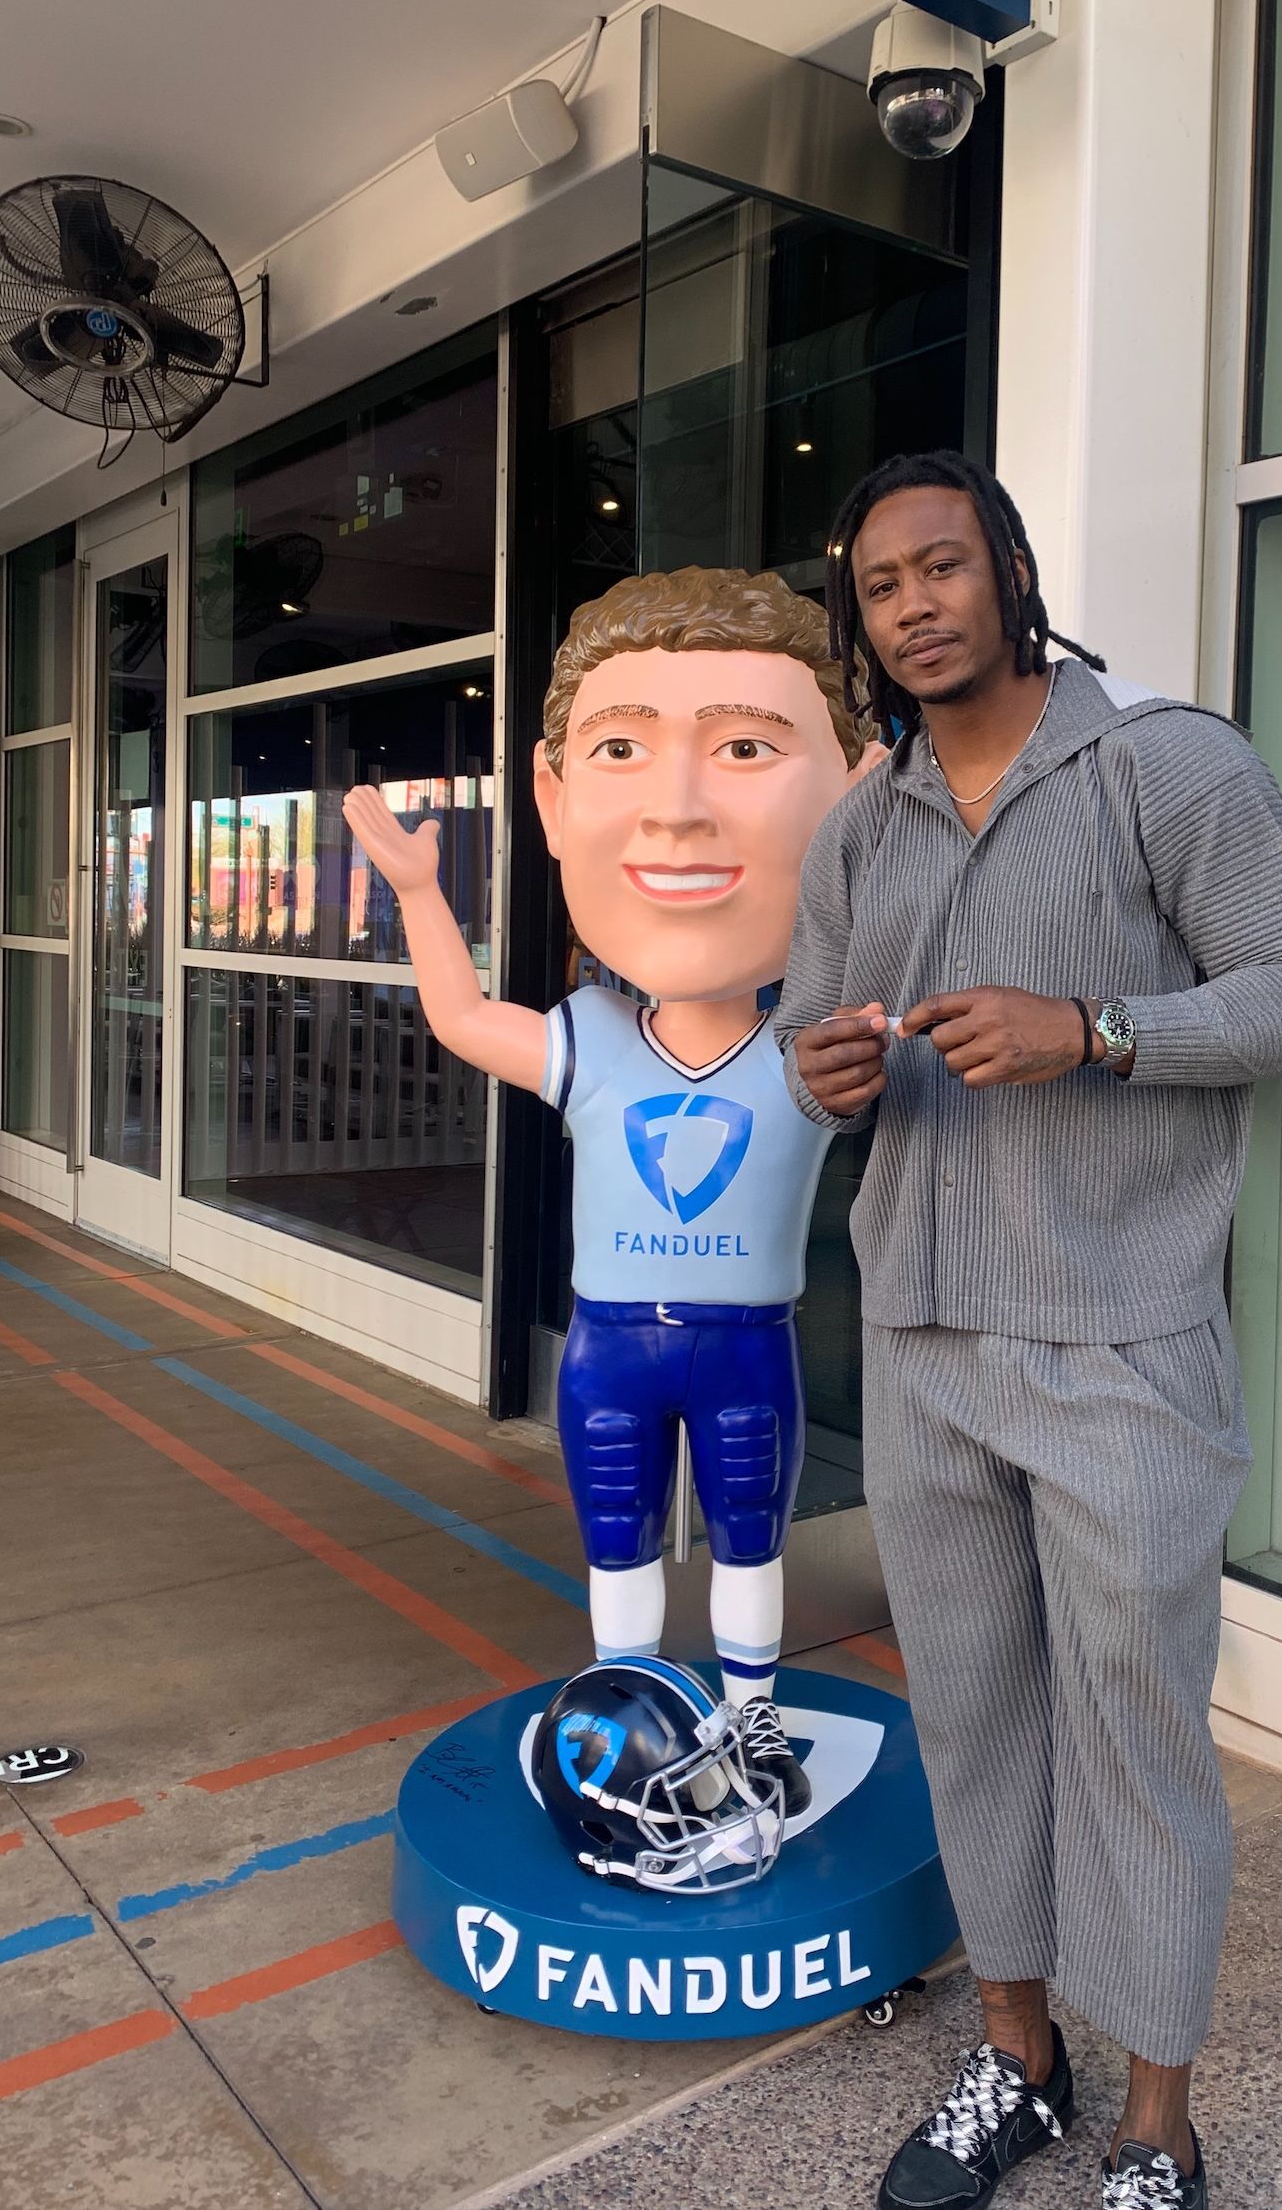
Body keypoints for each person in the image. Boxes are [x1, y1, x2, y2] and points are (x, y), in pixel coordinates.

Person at [776, 453, 1282, 2210]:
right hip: (929, 1335)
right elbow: (808, 1031)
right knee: (972, 1709)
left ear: (1011, 569)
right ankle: (1015, 2056)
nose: (916, 605)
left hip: (1120, 1338)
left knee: (1136, 1724)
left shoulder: (1165, 765)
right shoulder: (861, 827)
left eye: (943, 567)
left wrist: (1094, 1027)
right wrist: (828, 1070)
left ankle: (1157, 2127)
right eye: (883, 587)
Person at [344, 567, 875, 1814]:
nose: (680, 812)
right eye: (622, 748)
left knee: (752, 1545)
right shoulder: (587, 1032)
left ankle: (751, 1725)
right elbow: (467, 1015)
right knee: (618, 1547)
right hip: (609, 1348)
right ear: (553, 790)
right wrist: (421, 893)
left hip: (753, 1345)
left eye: (746, 746)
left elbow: (917, 1040)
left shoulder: (815, 1042)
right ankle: (624, 1724)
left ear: (847, 796)